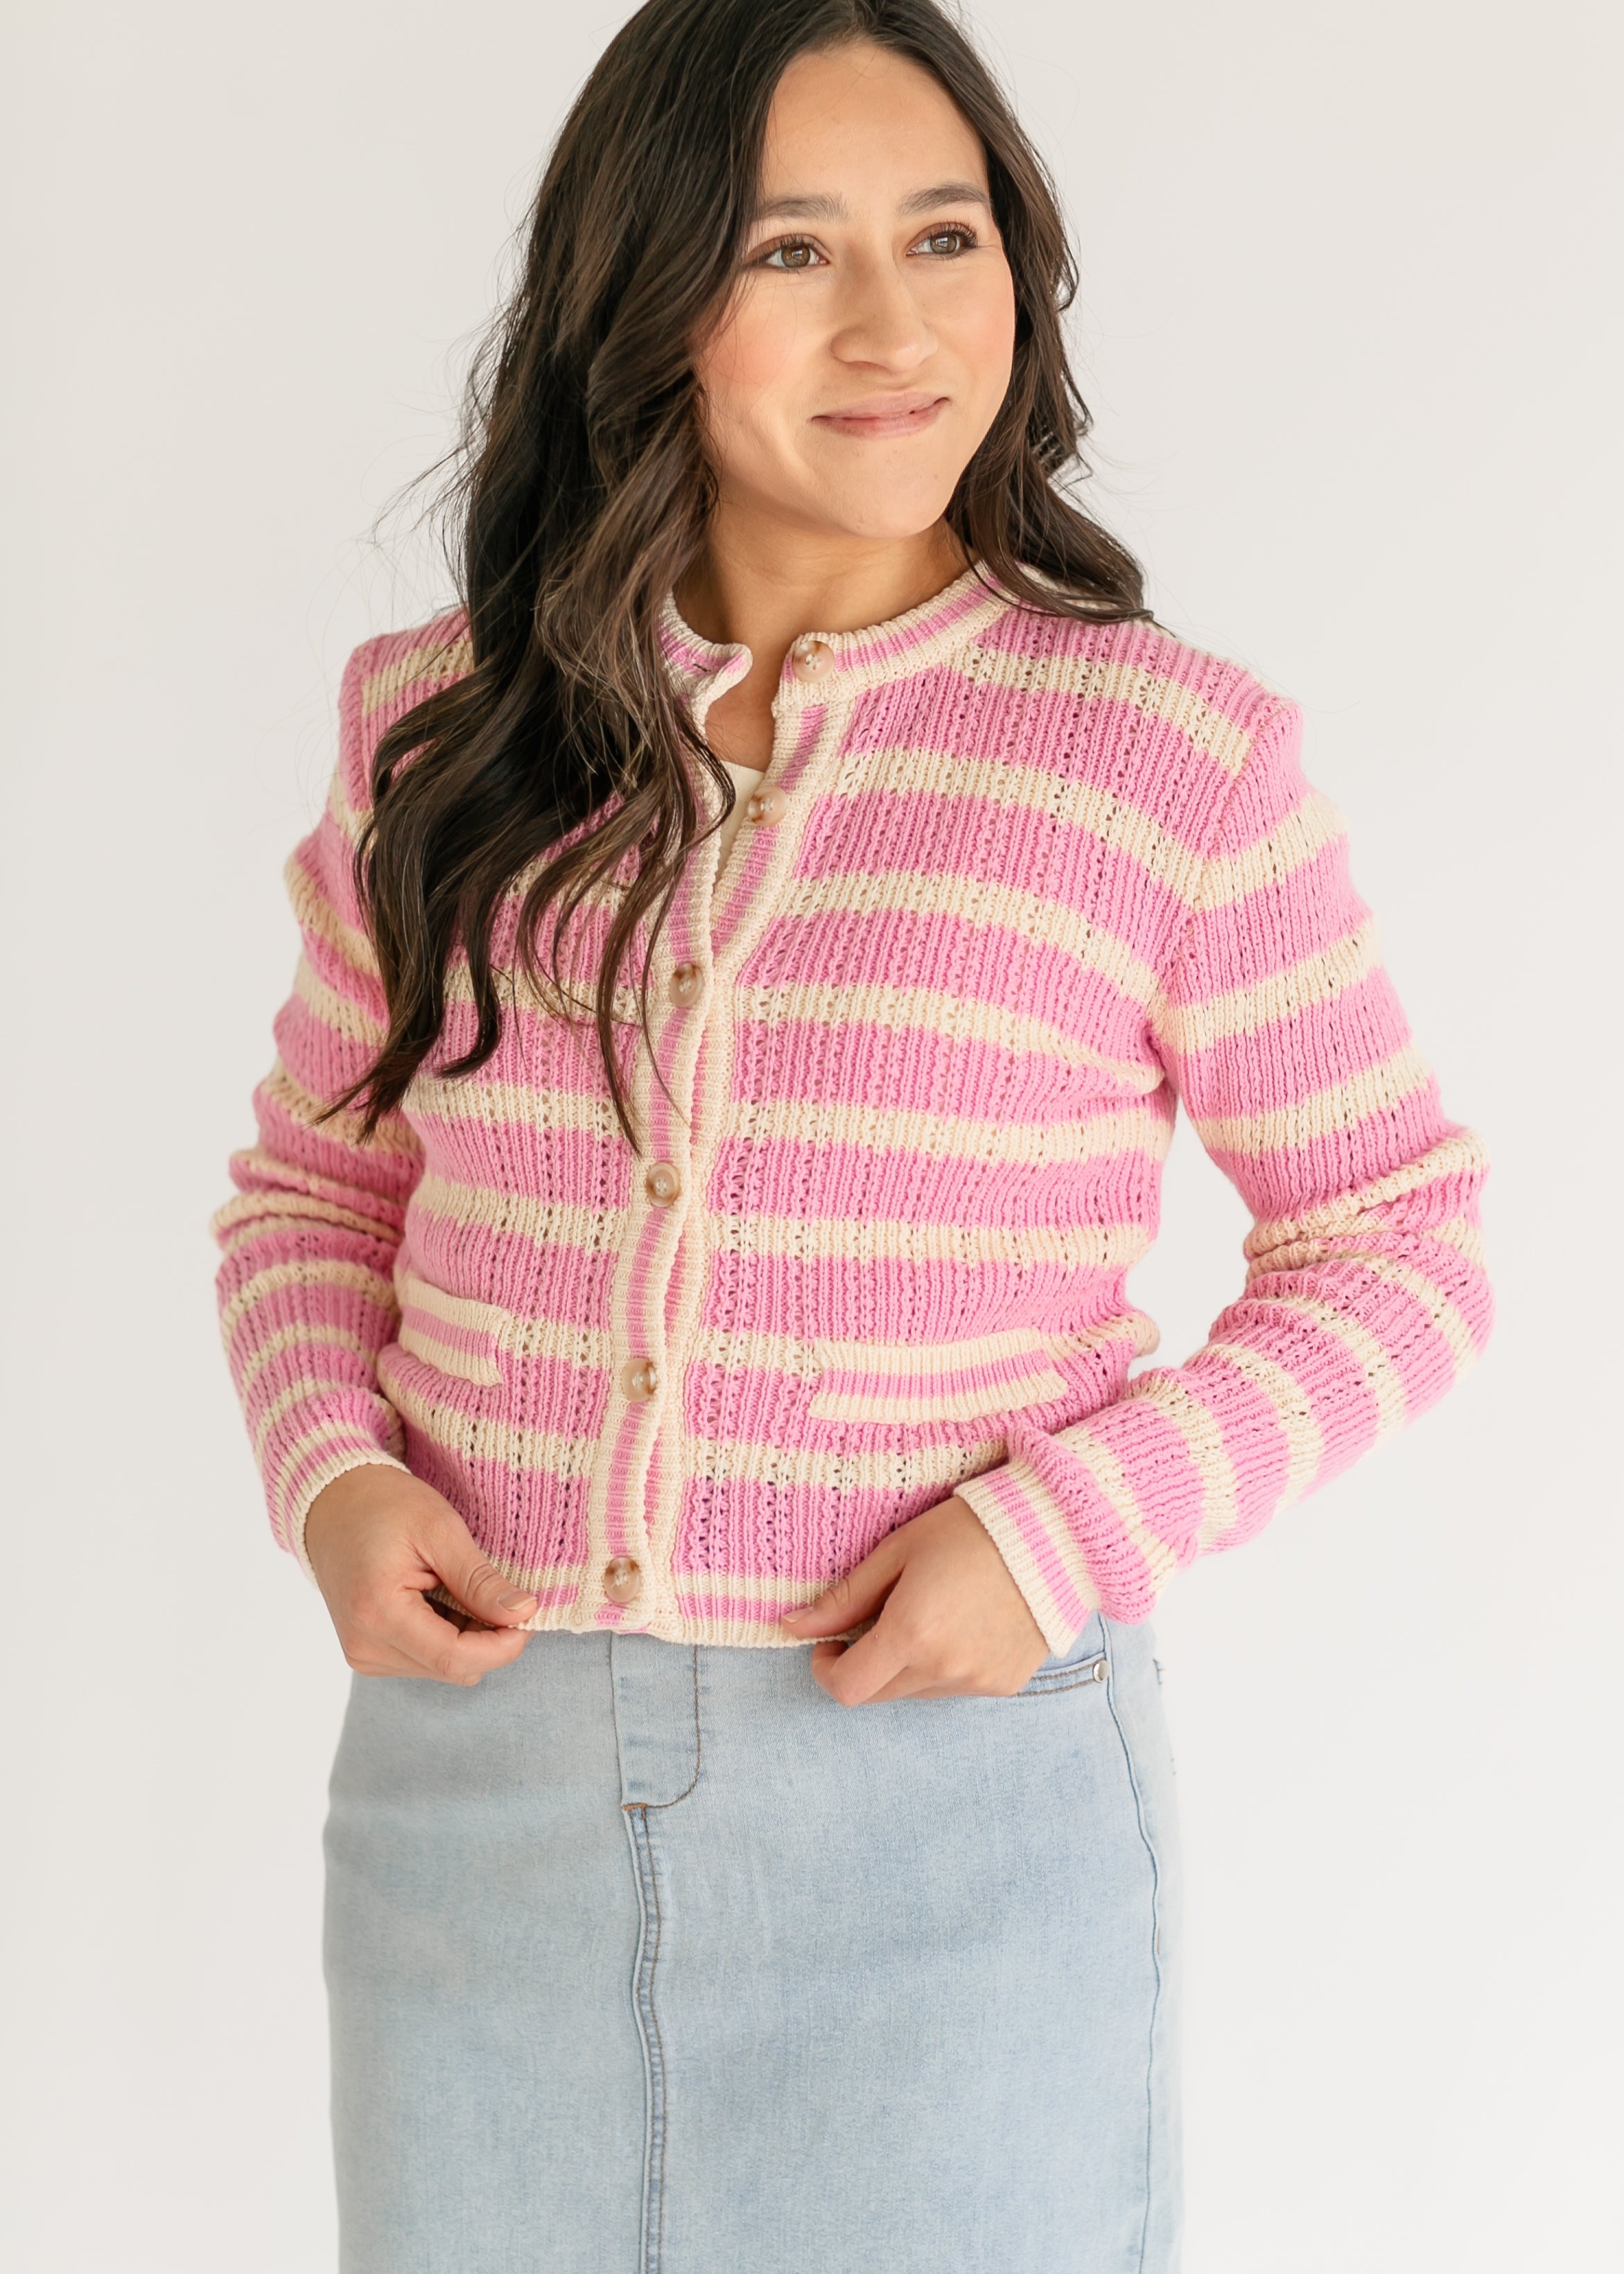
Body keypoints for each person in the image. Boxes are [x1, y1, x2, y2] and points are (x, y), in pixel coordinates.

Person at [211, 2, 1492, 2266]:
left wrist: (1060, 1533)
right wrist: (333, 1475)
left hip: (953, 1811)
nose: (896, 326)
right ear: (646, 291)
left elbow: (1400, 1240)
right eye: (792, 250)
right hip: (473, 1812)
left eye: (947, 235)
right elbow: (319, 1187)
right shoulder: (444, 729)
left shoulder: (1162, 758)